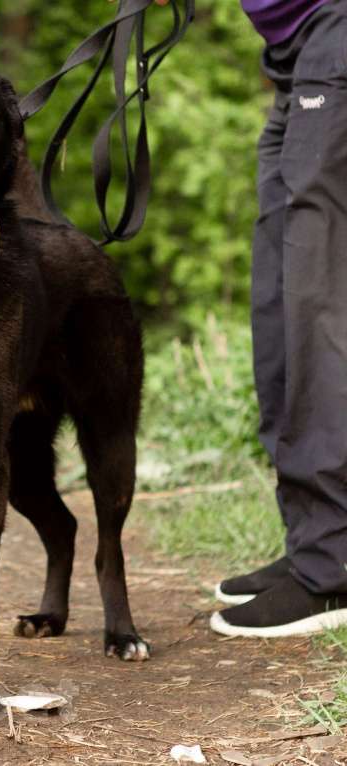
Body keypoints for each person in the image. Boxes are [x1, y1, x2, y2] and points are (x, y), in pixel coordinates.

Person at [203, 0, 347, 636]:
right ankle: (314, 542)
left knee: (318, 304)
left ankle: (332, 571)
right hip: (294, 56)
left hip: (335, 34)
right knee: (280, 303)